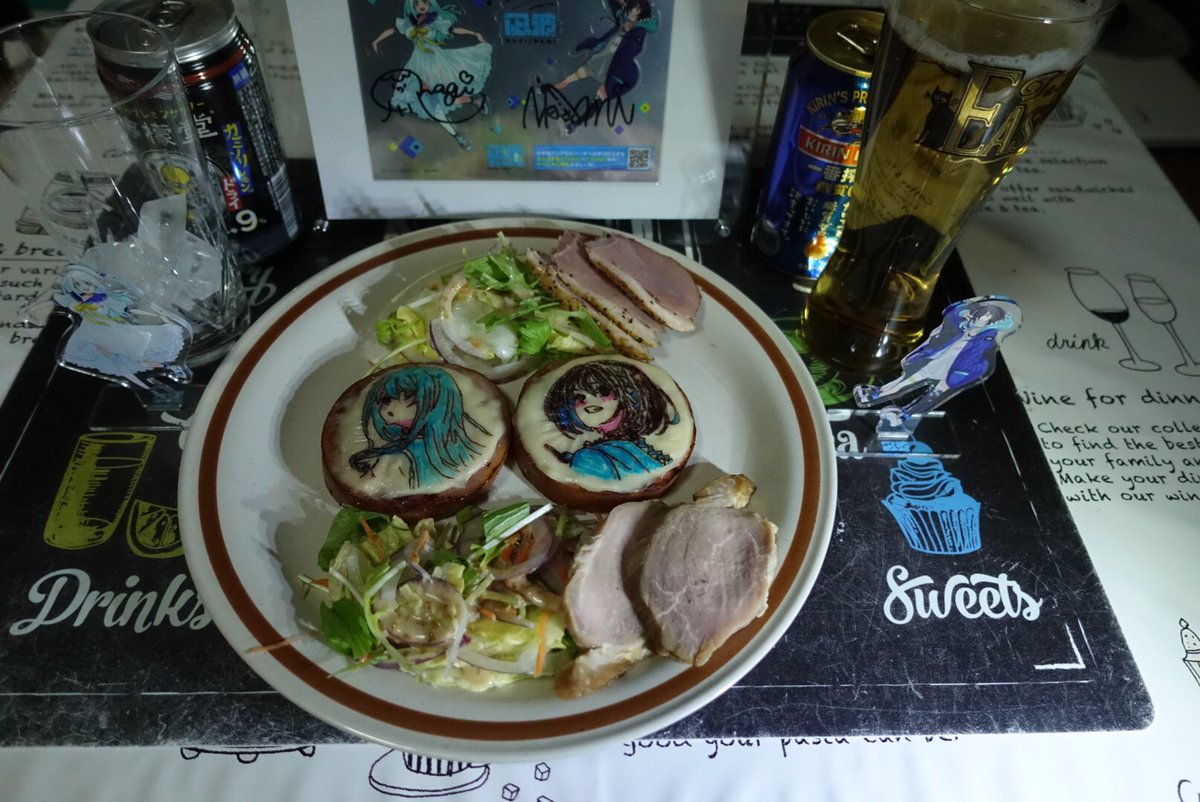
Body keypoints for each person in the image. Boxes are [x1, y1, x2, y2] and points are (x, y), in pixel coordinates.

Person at [854, 296, 1022, 420]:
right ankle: (876, 395)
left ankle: (904, 415)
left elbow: (976, 360)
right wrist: (965, 311)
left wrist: (960, 375)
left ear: (992, 322)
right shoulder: (963, 326)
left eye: (987, 318)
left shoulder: (987, 338)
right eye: (981, 315)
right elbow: (949, 319)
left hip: (956, 371)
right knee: (904, 382)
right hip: (935, 363)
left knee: (932, 397)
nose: (982, 319)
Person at [370, 0, 492, 150]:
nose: (422, 6)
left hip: (435, 60)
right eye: (418, 4)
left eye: (425, 3)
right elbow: (392, 30)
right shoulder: (408, 22)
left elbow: (453, 29)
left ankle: (473, 103)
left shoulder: (435, 19)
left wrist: (474, 33)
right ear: (413, 6)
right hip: (417, 63)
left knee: (443, 97)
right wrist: (376, 41)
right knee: (432, 103)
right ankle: (459, 132)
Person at [349, 366, 489, 487]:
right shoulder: (392, 449)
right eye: (386, 400)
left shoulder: (456, 452)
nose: (391, 409)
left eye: (409, 396)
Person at [541, 359, 678, 481]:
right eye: (578, 398)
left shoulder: (632, 448)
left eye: (603, 391)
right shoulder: (588, 457)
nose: (590, 402)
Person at [553, 0, 657, 101]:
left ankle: (595, 104)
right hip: (606, 53)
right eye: (630, 11)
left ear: (640, 17)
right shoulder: (623, 19)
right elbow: (616, 8)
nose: (630, 14)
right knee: (587, 68)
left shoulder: (637, 33)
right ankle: (564, 82)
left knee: (604, 87)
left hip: (616, 63)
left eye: (635, 14)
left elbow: (629, 54)